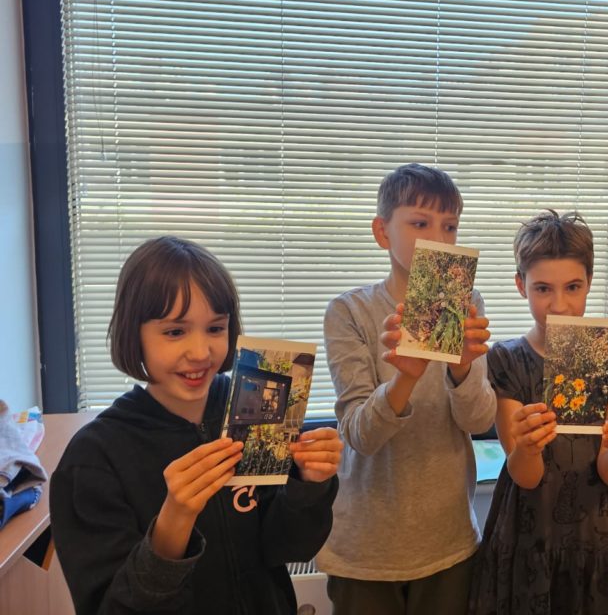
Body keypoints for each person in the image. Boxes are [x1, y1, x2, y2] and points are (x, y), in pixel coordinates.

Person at [51, 236, 342, 615]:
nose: (201, 352)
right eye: (175, 331)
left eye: (216, 328)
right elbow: (110, 607)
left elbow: (289, 546)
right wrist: (174, 520)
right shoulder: (94, 457)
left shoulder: (257, 405)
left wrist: (309, 484)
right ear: (133, 334)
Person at [317, 163, 496, 615]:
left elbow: (478, 420)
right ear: (383, 232)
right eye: (420, 223)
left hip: (448, 540)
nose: (439, 239)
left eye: (449, 226)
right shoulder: (349, 312)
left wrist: (461, 369)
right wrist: (406, 377)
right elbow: (360, 435)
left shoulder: (467, 304)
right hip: (366, 548)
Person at [469, 210, 608, 615]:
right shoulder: (506, 360)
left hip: (596, 535)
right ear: (521, 286)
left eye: (573, 287)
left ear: (589, 283)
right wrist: (527, 447)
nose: (560, 305)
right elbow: (525, 475)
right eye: (543, 289)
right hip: (528, 537)